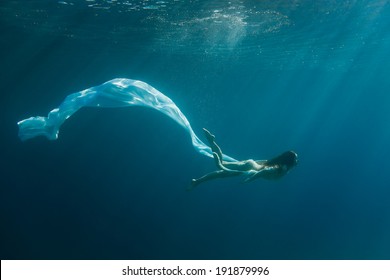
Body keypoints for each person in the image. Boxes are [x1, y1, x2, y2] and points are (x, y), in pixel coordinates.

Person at [189, 128, 298, 189]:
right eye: (295, 160)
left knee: (222, 172)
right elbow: (265, 170)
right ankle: (212, 142)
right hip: (250, 169)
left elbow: (264, 163)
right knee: (221, 166)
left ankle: (197, 181)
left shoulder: (278, 163)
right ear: (289, 161)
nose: (296, 162)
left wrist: (252, 164)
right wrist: (250, 179)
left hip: (251, 165)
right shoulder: (282, 168)